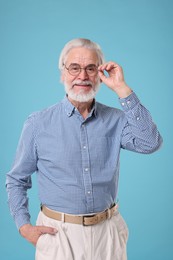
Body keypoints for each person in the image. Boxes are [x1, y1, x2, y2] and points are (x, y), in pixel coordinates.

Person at [6, 38, 162, 260]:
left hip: (108, 234)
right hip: (58, 236)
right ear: (62, 74)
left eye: (91, 68)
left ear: (100, 74)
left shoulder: (116, 120)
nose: (83, 76)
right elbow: (16, 179)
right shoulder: (38, 123)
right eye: (74, 68)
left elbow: (151, 142)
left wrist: (122, 88)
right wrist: (24, 227)